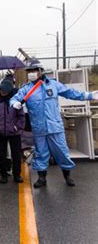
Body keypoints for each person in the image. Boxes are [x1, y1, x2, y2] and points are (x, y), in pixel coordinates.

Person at [10, 59, 98, 188]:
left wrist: (88, 95)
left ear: (40, 71)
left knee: (62, 152)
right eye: (29, 71)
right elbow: (14, 98)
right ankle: (42, 178)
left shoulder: (54, 85)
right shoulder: (26, 89)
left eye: (34, 70)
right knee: (41, 153)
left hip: (55, 127)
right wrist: (14, 103)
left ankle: (67, 176)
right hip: (39, 128)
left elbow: (70, 93)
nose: (31, 73)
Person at [0, 79, 25, 184]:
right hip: (0, 133)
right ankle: (3, 175)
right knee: (1, 155)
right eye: (1, 89)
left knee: (16, 155)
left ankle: (17, 175)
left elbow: (21, 116)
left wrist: (16, 127)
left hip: (14, 133)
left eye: (4, 89)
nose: (2, 91)